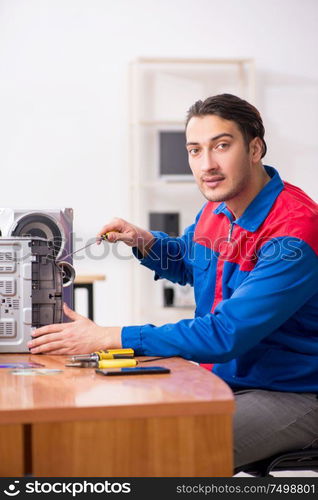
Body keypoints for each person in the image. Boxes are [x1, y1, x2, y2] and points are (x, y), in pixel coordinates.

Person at [28, 94, 318, 469]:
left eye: (222, 146)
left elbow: (224, 334)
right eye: (195, 151)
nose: (207, 165)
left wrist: (108, 336)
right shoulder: (218, 208)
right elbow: (190, 262)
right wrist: (144, 241)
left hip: (294, 393)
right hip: (227, 380)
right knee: (114, 430)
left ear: (255, 148)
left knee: (157, 457)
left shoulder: (295, 231)